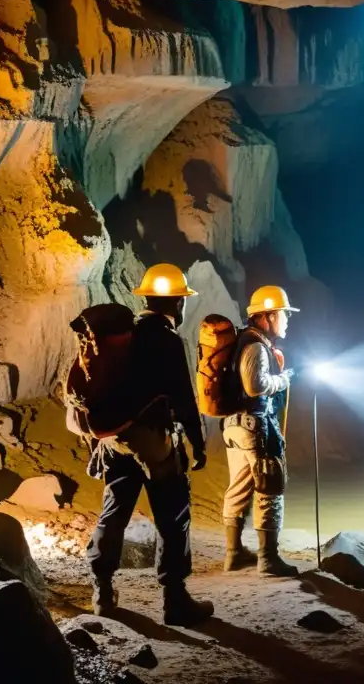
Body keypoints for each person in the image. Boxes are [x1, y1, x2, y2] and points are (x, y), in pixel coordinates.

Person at [86, 263, 214, 626]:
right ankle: (175, 600)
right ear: (175, 304)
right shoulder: (167, 340)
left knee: (115, 512)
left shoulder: (123, 337)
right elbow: (183, 398)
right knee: (173, 514)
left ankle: (103, 590)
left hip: (114, 440)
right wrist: (197, 442)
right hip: (153, 440)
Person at [220, 285, 299, 577]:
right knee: (270, 486)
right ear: (266, 316)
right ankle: (268, 559)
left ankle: (234, 554)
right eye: (283, 314)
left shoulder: (245, 341)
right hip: (254, 427)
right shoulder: (255, 345)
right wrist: (284, 380)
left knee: (239, 487)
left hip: (235, 426)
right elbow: (255, 385)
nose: (287, 320)